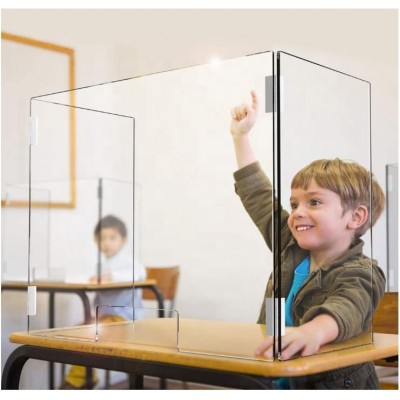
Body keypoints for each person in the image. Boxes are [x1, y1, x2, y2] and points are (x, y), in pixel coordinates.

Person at [230, 90, 386, 389]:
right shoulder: (290, 246)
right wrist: (241, 137)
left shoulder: (362, 272)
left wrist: (313, 332)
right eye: (294, 204)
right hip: (276, 382)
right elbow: (258, 195)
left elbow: (347, 307)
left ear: (356, 217)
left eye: (314, 203)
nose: (298, 212)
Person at [60, 215, 146, 389]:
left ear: (124, 240)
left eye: (112, 238)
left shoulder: (128, 262)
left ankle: (77, 381)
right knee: (75, 332)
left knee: (86, 335)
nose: (106, 243)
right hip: (105, 318)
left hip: (125, 319)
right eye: (102, 238)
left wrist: (111, 277)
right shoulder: (102, 264)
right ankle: (85, 377)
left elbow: (140, 275)